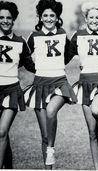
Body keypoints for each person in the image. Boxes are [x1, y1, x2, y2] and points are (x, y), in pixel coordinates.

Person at [25, 0, 77, 168]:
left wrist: (57, 65)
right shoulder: (34, 36)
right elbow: (25, 58)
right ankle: (48, 165)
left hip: (59, 82)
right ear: (40, 17)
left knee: (51, 110)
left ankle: (51, 150)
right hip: (40, 84)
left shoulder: (62, 34)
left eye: (52, 15)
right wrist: (37, 68)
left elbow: (69, 53)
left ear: (57, 17)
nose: (48, 19)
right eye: (45, 15)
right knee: (45, 135)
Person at [69, 2, 98, 170]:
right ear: (86, 19)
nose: (95, 20)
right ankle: (97, 168)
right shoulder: (78, 35)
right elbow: (66, 56)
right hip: (84, 83)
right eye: (91, 17)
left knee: (96, 110)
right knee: (91, 132)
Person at [0, 1, 36, 168]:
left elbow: (30, 65)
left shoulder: (20, 41)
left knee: (1, 131)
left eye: (8, 18)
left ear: (13, 19)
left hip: (11, 90)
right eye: (1, 17)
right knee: (2, 135)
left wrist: (51, 66)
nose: (5, 21)